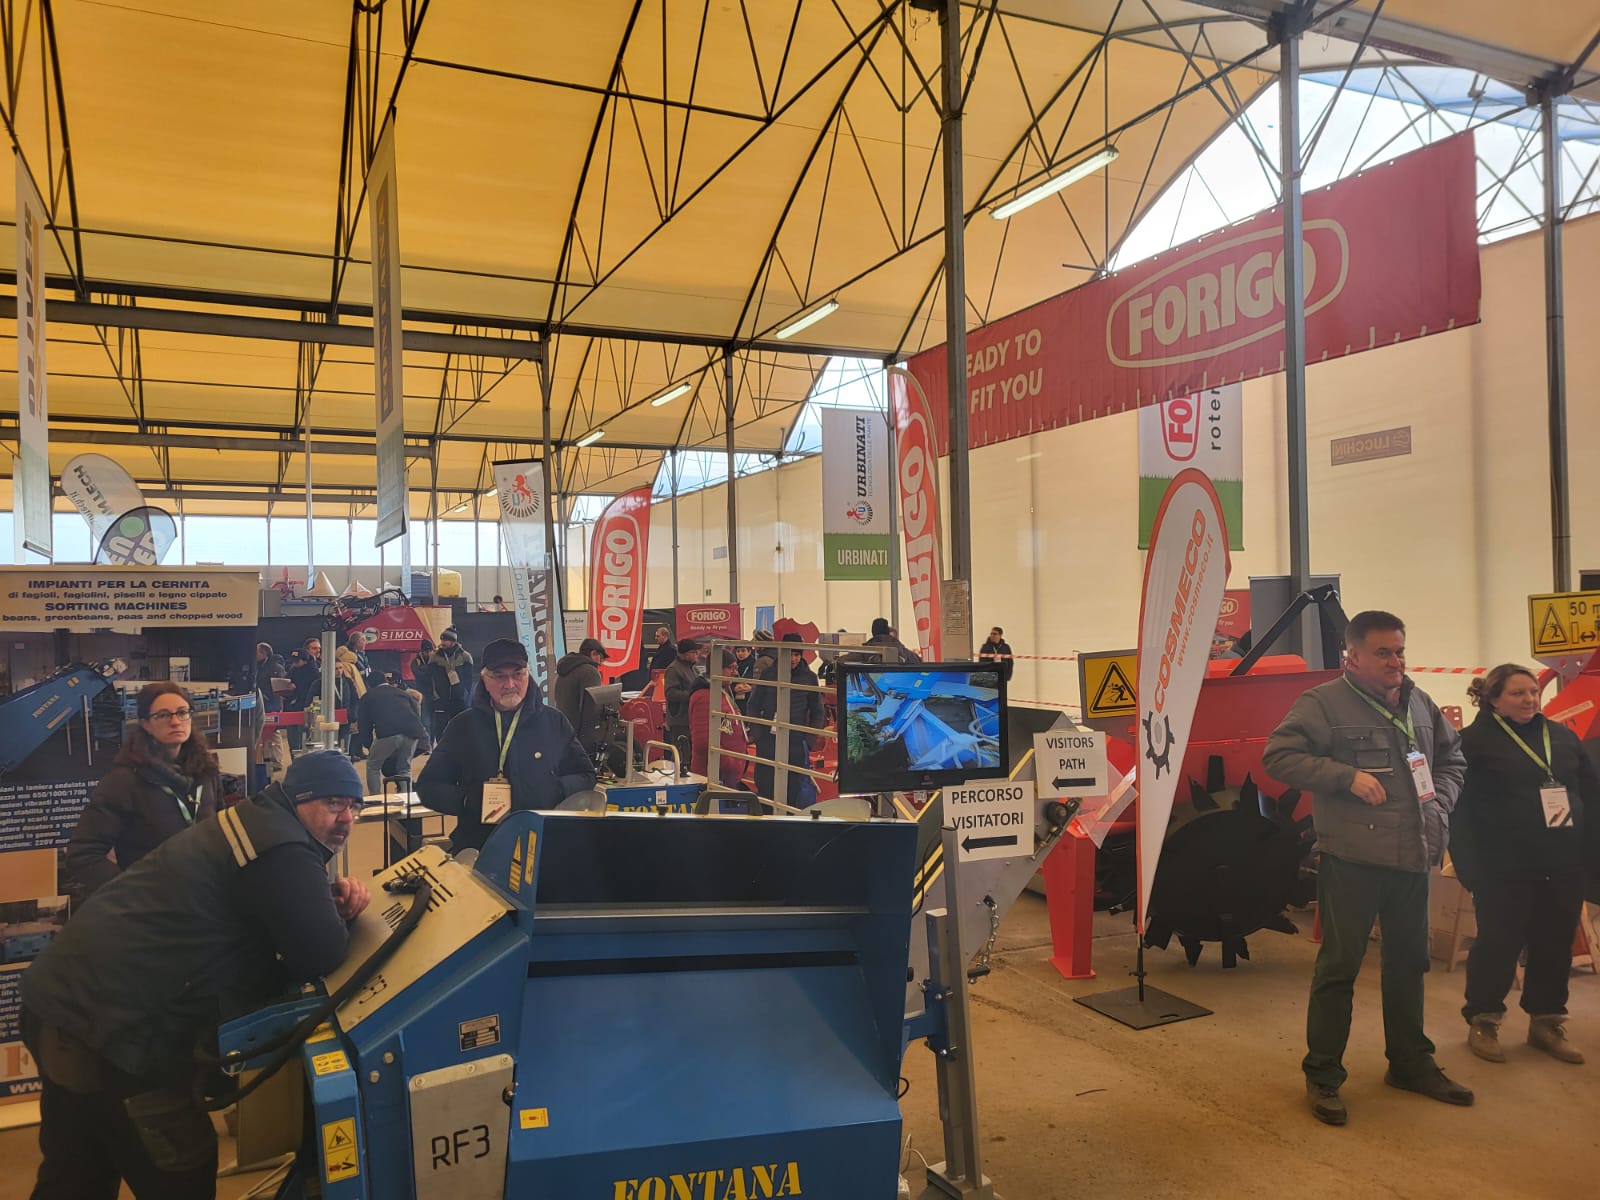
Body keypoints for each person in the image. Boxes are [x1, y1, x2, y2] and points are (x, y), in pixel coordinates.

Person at [21, 751, 372, 1199]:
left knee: (77, 1170)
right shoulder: (281, 845)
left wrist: (320, 907)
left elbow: (263, 911)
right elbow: (321, 952)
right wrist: (342, 918)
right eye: (333, 803)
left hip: (59, 1001)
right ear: (298, 799)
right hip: (115, 1030)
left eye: (355, 806)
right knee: (180, 1170)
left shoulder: (255, 821)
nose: (346, 819)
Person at [1262, 610, 1470, 1126]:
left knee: (1409, 964)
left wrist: (1441, 803)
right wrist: (1344, 776)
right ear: (1352, 656)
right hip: (1353, 859)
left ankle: (1410, 1063)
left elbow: (1452, 759)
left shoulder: (1419, 703)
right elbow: (1278, 756)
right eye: (1383, 652)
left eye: (1399, 650)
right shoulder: (1322, 704)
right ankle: (1323, 1074)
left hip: (1413, 857)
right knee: (1340, 967)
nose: (1395, 661)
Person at [1452, 663, 1599, 1065]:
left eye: (1533, 692)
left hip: (1562, 863)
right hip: (1503, 868)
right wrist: (1468, 867)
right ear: (1493, 699)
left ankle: (1546, 1022)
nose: (1529, 699)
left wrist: (1590, 857)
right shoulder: (1472, 743)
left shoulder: (1561, 737)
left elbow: (1590, 796)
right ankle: (1483, 1020)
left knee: (1554, 944)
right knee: (1498, 945)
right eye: (1517, 693)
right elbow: (1458, 811)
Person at [417, 638, 595, 851]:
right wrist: (467, 800)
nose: (510, 684)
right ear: (484, 679)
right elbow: (428, 786)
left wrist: (555, 789)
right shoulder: (463, 726)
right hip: (480, 846)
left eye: (517, 674)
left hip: (542, 844)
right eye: (499, 676)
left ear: (528, 675)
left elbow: (586, 775)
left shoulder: (554, 722)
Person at [63, 683, 223, 907]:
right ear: (145, 724)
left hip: (204, 903)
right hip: (155, 912)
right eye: (163, 715)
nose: (175, 721)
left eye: (182, 712)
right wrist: (134, 895)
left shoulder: (206, 773)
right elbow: (83, 854)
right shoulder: (124, 781)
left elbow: (221, 834)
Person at [748, 632, 827, 808]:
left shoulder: (809, 678)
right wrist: (759, 735)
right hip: (769, 741)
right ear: (781, 652)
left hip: (795, 743)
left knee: (793, 792)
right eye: (790, 653)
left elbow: (818, 711)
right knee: (766, 788)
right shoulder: (768, 674)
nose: (793, 659)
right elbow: (753, 705)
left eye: (797, 654)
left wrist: (808, 741)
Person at [357, 671, 427, 796]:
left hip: (388, 732)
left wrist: (368, 744)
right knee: (404, 767)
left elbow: (364, 724)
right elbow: (416, 712)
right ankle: (407, 797)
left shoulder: (367, 697)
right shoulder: (401, 693)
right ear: (386, 681)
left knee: (373, 765)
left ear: (369, 684)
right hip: (413, 731)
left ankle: (375, 797)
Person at [689, 674, 750, 789]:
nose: (735, 672)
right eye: (730, 668)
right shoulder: (705, 697)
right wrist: (730, 764)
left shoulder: (721, 693)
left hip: (724, 775)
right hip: (716, 776)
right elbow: (703, 742)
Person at [554, 637, 609, 758]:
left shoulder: (565, 669)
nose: (600, 664)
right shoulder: (590, 671)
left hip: (562, 732)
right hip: (579, 738)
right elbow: (591, 708)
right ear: (593, 653)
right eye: (600, 659)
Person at [662, 639, 702, 769]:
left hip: (691, 718)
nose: (697, 654)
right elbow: (670, 693)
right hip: (679, 718)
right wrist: (693, 695)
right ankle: (676, 775)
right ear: (685, 654)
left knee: (689, 753)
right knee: (681, 753)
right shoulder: (673, 670)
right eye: (694, 652)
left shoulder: (693, 669)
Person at [428, 628, 474, 729]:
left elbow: (469, 679)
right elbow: (429, 677)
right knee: (440, 728)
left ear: (453, 641)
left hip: (459, 699)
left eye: (445, 640)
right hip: (440, 698)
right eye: (442, 640)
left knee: (460, 727)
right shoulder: (434, 657)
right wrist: (434, 694)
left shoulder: (465, 657)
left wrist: (464, 694)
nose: (442, 642)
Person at [253, 642, 285, 712]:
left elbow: (279, 690)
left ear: (264, 653)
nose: (254, 655)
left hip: (270, 705)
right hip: (258, 703)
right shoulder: (256, 667)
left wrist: (276, 706)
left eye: (256, 652)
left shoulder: (276, 668)